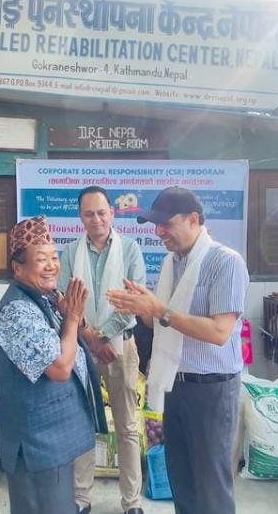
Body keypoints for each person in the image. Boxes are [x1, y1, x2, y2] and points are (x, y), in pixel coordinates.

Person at [107, 187, 249, 514]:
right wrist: (141, 308)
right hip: (175, 384)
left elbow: (219, 332)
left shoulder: (225, 262)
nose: (158, 232)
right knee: (182, 480)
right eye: (155, 225)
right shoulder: (173, 263)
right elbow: (164, 323)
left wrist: (159, 310)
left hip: (211, 390)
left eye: (166, 224)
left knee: (211, 486)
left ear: (193, 219)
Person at [0, 215, 108, 514]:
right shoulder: (16, 311)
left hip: (54, 438)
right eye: (41, 259)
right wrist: (71, 318)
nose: (51, 266)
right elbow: (59, 368)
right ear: (18, 268)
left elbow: (70, 341)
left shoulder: (46, 299)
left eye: (54, 258)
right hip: (36, 443)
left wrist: (72, 318)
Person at [59, 186, 147, 514]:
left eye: (101, 212)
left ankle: (132, 502)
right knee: (82, 423)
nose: (95, 219)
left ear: (112, 213)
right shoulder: (70, 252)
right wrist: (89, 337)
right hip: (80, 348)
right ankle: (81, 498)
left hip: (121, 347)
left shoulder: (130, 249)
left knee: (127, 426)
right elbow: (63, 300)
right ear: (80, 217)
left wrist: (105, 336)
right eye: (88, 213)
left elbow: (134, 301)